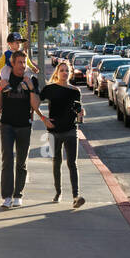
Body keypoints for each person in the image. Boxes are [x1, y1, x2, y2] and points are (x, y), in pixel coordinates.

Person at [0, 49, 46, 208]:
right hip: (6, 125)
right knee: (7, 160)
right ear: (13, 64)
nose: (23, 66)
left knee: (21, 162)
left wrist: (30, 88)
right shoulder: (4, 78)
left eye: (24, 62)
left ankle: (18, 195)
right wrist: (0, 89)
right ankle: (7, 197)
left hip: (24, 126)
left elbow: (35, 106)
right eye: (20, 62)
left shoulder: (31, 80)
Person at [40, 60, 86, 209]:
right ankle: (58, 193)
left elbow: (79, 112)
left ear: (70, 73)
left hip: (71, 131)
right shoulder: (50, 89)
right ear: (57, 73)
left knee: (72, 163)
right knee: (56, 162)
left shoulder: (75, 91)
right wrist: (43, 118)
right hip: (54, 131)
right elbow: (35, 100)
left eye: (67, 70)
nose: (64, 73)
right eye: (62, 70)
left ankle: (75, 196)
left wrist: (81, 113)